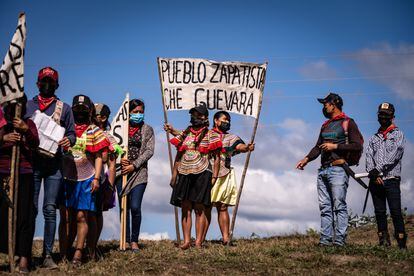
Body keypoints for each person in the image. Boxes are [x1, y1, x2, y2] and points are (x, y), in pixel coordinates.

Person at [165, 111, 255, 245]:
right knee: (204, 206)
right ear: (216, 120)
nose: (227, 122)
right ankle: (200, 240)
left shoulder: (230, 137)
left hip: (223, 173)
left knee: (222, 206)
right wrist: (172, 130)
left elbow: (239, 146)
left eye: (229, 120)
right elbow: (186, 137)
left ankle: (225, 238)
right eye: (225, 119)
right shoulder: (205, 133)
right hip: (203, 172)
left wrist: (246, 147)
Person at [296, 93, 363, 247]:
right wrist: (306, 159)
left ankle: (340, 241)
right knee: (325, 207)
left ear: (334, 104)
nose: (324, 107)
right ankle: (325, 241)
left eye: (326, 103)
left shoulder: (348, 123)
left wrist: (335, 146)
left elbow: (357, 145)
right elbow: (317, 146)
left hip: (338, 170)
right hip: (323, 170)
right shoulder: (325, 125)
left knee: (339, 205)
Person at [26, 67, 75, 269]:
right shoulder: (28, 106)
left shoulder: (65, 108)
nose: (47, 84)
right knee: (31, 209)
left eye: (51, 81)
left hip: (54, 165)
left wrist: (67, 141)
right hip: (32, 164)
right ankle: (25, 254)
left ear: (57, 85)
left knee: (50, 209)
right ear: (37, 83)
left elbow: (72, 134)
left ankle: (47, 255)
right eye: (44, 80)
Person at [60, 95, 109, 266]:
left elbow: (99, 157)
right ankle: (63, 252)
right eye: (77, 109)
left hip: (86, 179)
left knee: (82, 216)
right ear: (72, 110)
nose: (80, 113)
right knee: (66, 217)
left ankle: (78, 254)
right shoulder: (64, 128)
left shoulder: (95, 131)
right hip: (66, 178)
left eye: (83, 110)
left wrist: (96, 178)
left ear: (89, 112)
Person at [168, 104, 221, 249]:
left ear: (205, 117)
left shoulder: (211, 135)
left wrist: (215, 177)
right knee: (185, 206)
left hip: (203, 172)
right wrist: (174, 174)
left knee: (199, 208)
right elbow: (179, 153)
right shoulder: (186, 133)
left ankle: (198, 241)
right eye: (193, 115)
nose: (195, 118)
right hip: (184, 171)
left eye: (199, 115)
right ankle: (186, 241)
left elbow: (217, 157)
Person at [0, 95, 39, 273]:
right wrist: (4, 138)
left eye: (20, 104)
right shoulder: (1, 124)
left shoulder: (28, 124)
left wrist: (25, 131)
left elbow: (36, 144)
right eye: (12, 104)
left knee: (25, 215)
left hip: (24, 173)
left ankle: (24, 257)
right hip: (3, 173)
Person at [366, 102, 407, 249]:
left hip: (391, 180)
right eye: (381, 114)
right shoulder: (373, 138)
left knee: (395, 211)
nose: (383, 117)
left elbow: (395, 154)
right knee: (379, 212)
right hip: (375, 180)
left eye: (386, 115)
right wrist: (372, 172)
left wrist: (378, 169)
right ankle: (383, 241)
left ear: (392, 116)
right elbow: (368, 156)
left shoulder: (398, 135)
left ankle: (401, 243)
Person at [116, 99, 154, 252]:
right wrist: (121, 159)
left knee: (135, 206)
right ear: (129, 112)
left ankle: (134, 240)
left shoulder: (148, 129)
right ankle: (124, 239)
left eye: (141, 112)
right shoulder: (120, 128)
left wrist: (134, 165)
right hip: (122, 172)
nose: (138, 114)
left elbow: (149, 150)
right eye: (135, 112)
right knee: (123, 207)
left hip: (139, 172)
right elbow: (113, 145)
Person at [90, 103, 123, 259]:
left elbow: (111, 164)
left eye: (101, 116)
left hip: (101, 178)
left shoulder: (109, 138)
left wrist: (110, 186)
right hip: (81, 175)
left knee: (97, 212)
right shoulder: (85, 132)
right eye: (95, 115)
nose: (98, 119)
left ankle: (93, 246)